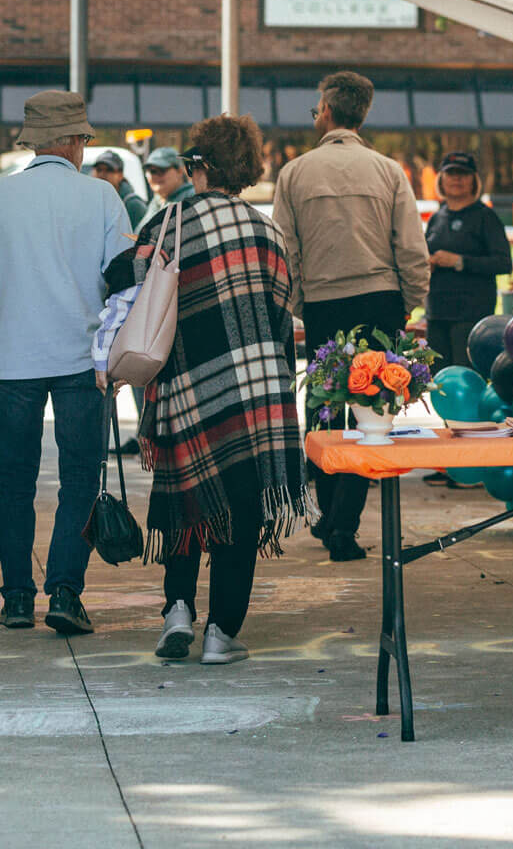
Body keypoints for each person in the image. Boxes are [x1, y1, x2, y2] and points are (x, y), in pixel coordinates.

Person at [126, 117, 307, 666]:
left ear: (197, 166)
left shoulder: (167, 223)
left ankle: (177, 609)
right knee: (243, 509)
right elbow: (282, 312)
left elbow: (135, 294)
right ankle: (220, 633)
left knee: (185, 499)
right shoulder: (266, 231)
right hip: (256, 391)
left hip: (184, 386)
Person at [0, 90, 131, 635]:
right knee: (79, 478)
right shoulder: (102, 197)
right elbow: (118, 274)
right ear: (70, 141)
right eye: (83, 138)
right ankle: (64, 590)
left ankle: (16, 598)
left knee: (14, 482)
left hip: (15, 357)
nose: (85, 148)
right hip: (83, 357)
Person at [272, 70, 429, 562]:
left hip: (323, 304)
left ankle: (327, 511)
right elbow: (412, 248)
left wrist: (300, 301)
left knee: (321, 408)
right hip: (380, 301)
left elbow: (284, 248)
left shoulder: (295, 172)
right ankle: (344, 524)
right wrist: (407, 303)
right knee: (371, 414)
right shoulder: (388, 171)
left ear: (328, 111)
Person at [424, 151, 513, 369]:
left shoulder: (485, 217)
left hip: (470, 315)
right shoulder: (437, 217)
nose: (457, 179)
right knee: (438, 382)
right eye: (451, 173)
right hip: (436, 313)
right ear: (441, 179)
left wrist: (460, 261)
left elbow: (503, 263)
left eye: (463, 174)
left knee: (465, 378)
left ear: (474, 180)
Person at [138, 146, 194, 229]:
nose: (155, 176)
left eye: (161, 170)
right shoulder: (157, 201)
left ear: (179, 171)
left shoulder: (191, 198)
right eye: (151, 171)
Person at [90, 149, 147, 225]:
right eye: (99, 170)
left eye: (109, 170)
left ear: (120, 175)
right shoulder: (89, 201)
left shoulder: (133, 205)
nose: (102, 174)